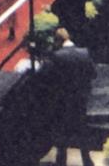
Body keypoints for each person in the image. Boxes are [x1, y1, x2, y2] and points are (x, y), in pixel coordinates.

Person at [44, 28, 97, 166]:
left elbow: (49, 78)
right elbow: (93, 74)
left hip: (63, 101)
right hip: (80, 99)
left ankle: (61, 162)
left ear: (57, 41)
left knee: (62, 131)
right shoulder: (84, 52)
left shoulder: (56, 56)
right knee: (82, 130)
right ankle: (87, 160)